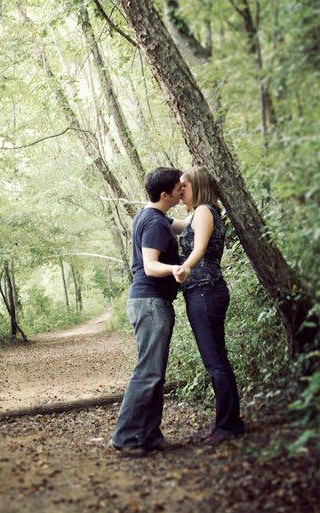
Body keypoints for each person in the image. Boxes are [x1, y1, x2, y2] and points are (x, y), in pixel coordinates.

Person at [111, 167, 184, 457]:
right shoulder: (154, 223)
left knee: (154, 373)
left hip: (150, 302)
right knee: (148, 372)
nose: (182, 190)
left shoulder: (152, 216)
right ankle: (125, 437)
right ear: (165, 194)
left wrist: (207, 212)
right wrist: (176, 268)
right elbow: (151, 266)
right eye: (179, 187)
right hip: (150, 302)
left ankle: (150, 435)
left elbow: (185, 224)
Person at [173, 166, 246, 443]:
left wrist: (184, 268)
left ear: (197, 186)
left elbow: (199, 248)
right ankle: (230, 422)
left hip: (206, 290)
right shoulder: (197, 215)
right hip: (203, 292)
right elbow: (175, 225)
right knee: (216, 360)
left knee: (216, 362)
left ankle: (228, 425)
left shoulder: (204, 211)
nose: (181, 193)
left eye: (184, 187)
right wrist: (152, 209)